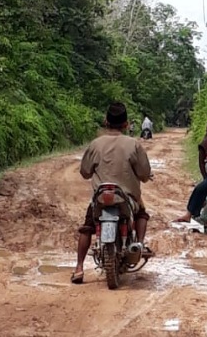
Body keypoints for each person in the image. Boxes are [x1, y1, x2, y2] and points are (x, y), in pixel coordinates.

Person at [71, 102, 153, 284]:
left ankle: (78, 268)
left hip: (101, 197)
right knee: (142, 213)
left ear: (106, 121)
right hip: (127, 197)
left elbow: (85, 172)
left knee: (87, 227)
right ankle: (139, 244)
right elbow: (144, 174)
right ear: (126, 124)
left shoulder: (95, 144)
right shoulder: (134, 144)